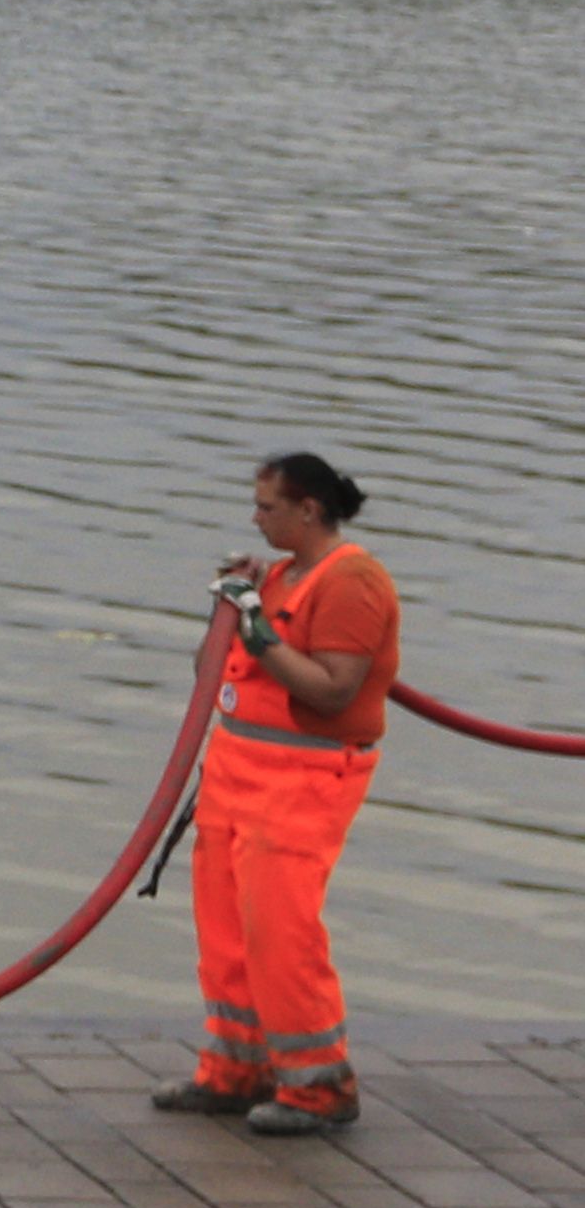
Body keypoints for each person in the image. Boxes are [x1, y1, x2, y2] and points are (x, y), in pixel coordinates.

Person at [154, 451, 399, 1136]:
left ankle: (320, 1086)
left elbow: (333, 689)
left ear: (308, 510)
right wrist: (228, 607)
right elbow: (211, 670)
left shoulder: (352, 581)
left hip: (302, 782)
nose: (255, 518)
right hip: (234, 772)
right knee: (226, 931)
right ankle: (236, 1070)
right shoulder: (277, 577)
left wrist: (257, 631)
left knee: (280, 933)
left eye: (267, 507)